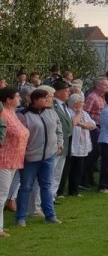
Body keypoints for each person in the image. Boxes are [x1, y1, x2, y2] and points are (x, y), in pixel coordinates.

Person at [17, 88, 62, 226]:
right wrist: (24, 152)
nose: (48, 100)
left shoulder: (51, 112)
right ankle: (21, 217)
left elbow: (58, 128)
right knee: (26, 186)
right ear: (35, 100)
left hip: (49, 156)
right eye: (44, 98)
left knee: (46, 186)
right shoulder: (23, 115)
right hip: (30, 158)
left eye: (48, 98)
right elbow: (20, 136)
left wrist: (60, 143)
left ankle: (50, 215)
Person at [0, 86, 28, 234]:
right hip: (3, 160)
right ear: (8, 100)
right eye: (17, 96)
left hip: (14, 160)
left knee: (4, 195)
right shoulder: (3, 114)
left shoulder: (13, 113)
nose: (20, 98)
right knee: (1, 195)